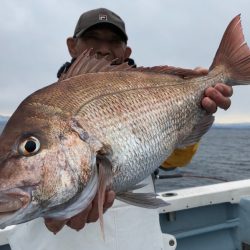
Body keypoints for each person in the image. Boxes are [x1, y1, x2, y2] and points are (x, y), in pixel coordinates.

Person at [6, 8, 233, 250]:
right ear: (72, 45)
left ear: (126, 51)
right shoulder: (38, 110)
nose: (104, 48)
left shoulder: (150, 92)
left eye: (114, 41)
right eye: (93, 38)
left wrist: (198, 105)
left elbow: (171, 160)